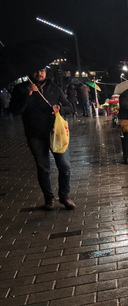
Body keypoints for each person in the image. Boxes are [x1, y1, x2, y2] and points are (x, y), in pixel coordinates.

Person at [8, 68, 75, 210]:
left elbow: (70, 107)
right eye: (36, 71)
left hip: (56, 133)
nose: (40, 74)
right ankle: (49, 198)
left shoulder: (54, 88)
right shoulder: (20, 89)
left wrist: (60, 109)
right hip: (35, 135)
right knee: (43, 168)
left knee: (64, 166)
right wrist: (28, 93)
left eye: (43, 71)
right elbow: (15, 111)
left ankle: (64, 196)